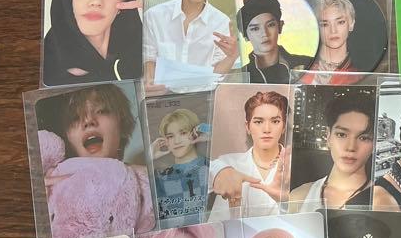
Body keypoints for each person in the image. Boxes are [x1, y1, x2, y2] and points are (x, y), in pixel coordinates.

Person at [38, 84, 155, 235]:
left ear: (121, 123)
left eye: (101, 111)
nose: (89, 121)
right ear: (65, 137)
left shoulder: (147, 182)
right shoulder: (51, 184)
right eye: (75, 118)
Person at [143, 0, 237, 90]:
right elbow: (149, 59)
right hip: (162, 95)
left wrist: (231, 57)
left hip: (203, 96)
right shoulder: (154, 16)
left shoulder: (221, 22)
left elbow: (215, 77)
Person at [208, 90, 290, 220]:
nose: (267, 129)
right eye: (258, 122)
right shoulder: (228, 163)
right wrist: (218, 170)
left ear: (284, 126)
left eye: (275, 121)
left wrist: (285, 202)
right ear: (248, 127)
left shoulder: (294, 167)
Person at [288, 92, 374, 212]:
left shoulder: (381, 199)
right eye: (341, 135)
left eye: (363, 138)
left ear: (374, 144)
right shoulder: (300, 196)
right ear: (328, 136)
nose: (351, 147)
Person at [151, 107, 210, 228]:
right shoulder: (160, 177)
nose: (177, 141)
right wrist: (149, 156)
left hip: (209, 235)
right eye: (170, 136)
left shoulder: (211, 166)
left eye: (183, 133)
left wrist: (205, 130)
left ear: (194, 134)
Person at [238, 0, 311, 83]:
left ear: (280, 26)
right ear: (245, 36)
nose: (265, 33)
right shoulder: (240, 76)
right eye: (255, 29)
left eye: (270, 25)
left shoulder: (306, 64)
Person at [300, 0, 358, 83]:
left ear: (351, 24)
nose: (333, 31)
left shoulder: (359, 75)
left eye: (340, 22)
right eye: (325, 24)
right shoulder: (301, 70)